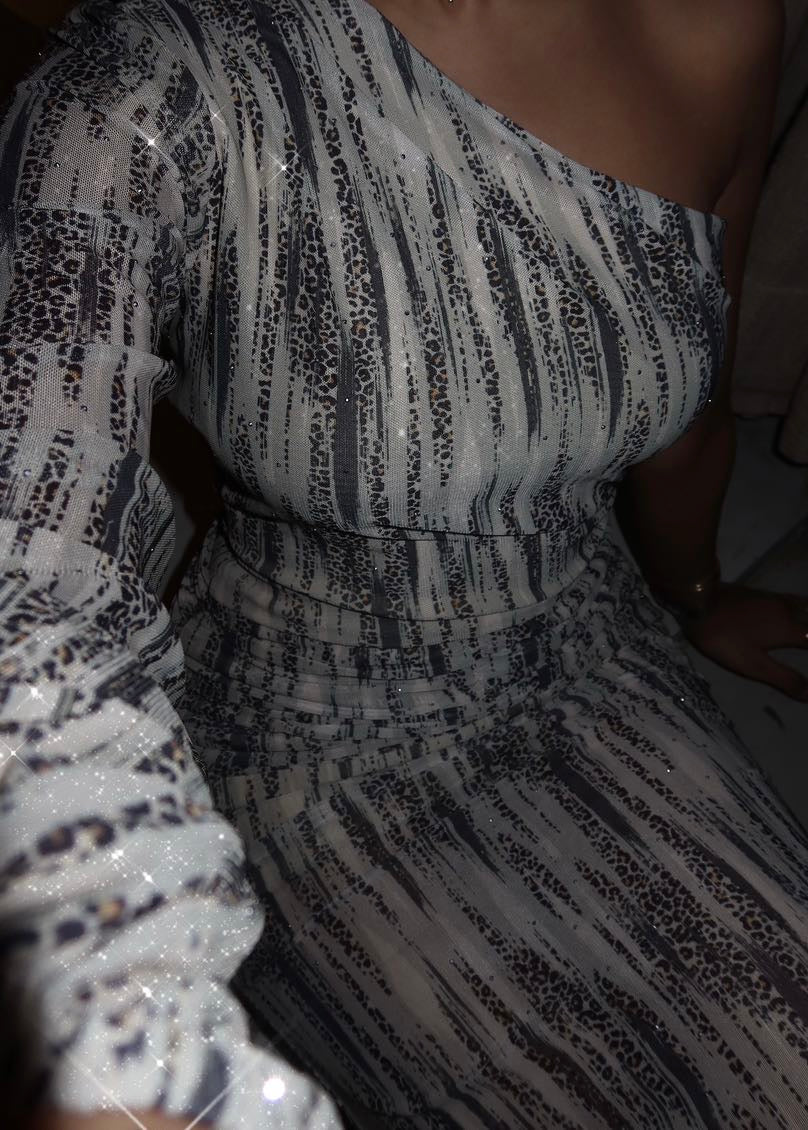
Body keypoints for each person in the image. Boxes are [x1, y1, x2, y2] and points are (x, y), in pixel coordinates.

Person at [1, 0, 807, 1128]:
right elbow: (32, 568)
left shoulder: (716, 24)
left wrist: (697, 591)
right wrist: (116, 1007)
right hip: (307, 735)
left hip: (591, 642)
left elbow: (691, 404)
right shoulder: (148, 83)